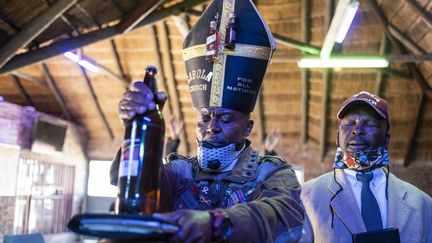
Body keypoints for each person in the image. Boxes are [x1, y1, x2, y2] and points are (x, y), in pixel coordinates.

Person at [114, 0, 304, 242]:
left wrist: (217, 224)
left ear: (248, 127)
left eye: (225, 118)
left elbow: (285, 215)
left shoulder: (270, 172)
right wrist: (138, 130)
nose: (211, 128)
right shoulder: (178, 171)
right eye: (204, 117)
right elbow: (139, 189)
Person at [299, 91, 432, 242]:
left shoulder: (423, 204)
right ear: (337, 137)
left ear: (387, 139)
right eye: (349, 123)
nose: (357, 130)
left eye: (370, 124)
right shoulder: (306, 197)